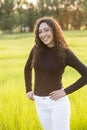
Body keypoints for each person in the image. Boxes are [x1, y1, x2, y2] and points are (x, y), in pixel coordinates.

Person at [24, 16, 87, 130]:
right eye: (40, 32)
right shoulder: (36, 50)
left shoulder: (65, 53)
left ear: (54, 30)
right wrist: (28, 89)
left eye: (46, 30)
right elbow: (27, 68)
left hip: (57, 104)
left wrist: (65, 91)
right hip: (39, 102)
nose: (43, 34)